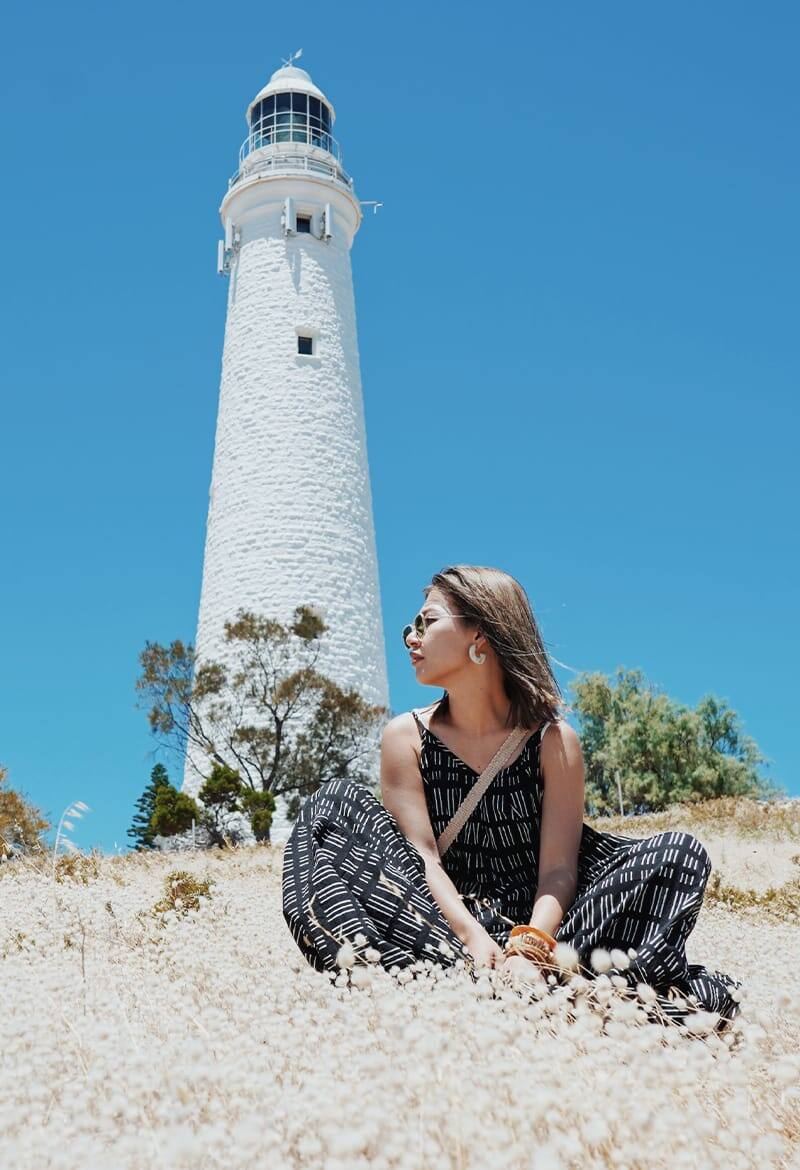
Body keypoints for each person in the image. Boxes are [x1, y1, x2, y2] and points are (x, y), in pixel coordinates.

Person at [281, 564, 742, 1031]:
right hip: (440, 924)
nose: (411, 638)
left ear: (480, 635)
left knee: (680, 854)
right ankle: (437, 981)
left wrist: (530, 947)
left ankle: (543, 985)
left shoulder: (552, 741)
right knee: (332, 804)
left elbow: (559, 870)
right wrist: (472, 938)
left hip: (550, 929)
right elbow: (421, 858)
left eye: (427, 622)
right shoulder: (406, 737)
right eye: (411, 626)